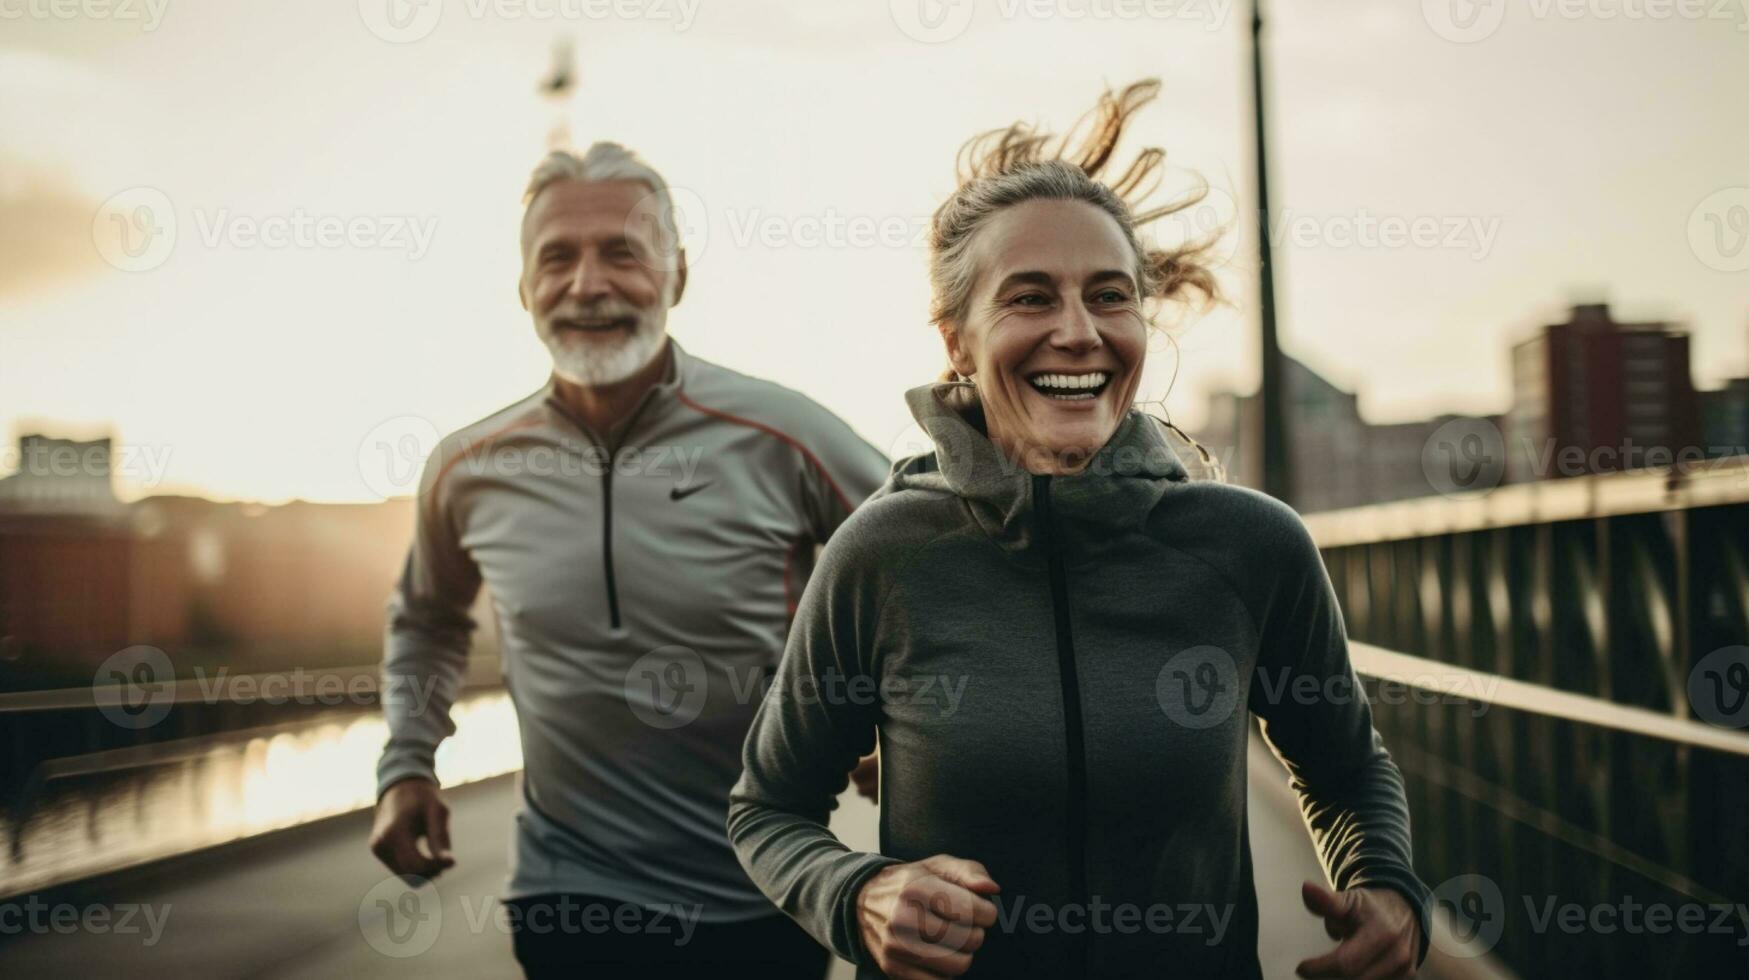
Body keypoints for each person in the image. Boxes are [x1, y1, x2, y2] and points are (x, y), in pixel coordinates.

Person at [727, 81, 1433, 979]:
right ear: (956, 341)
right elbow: (767, 807)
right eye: (1029, 299)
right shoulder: (882, 555)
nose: (1077, 332)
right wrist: (855, 892)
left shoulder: (1252, 546)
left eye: (1109, 296)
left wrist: (1386, 886)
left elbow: (1345, 772)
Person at [369, 141, 887, 978]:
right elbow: (426, 620)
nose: (587, 284)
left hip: (763, 887)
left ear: (676, 275)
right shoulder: (467, 467)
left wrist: (885, 712)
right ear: (524, 288)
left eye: (621, 253)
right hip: (565, 894)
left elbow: (925, 565)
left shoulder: (784, 434)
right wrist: (406, 764)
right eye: (557, 258)